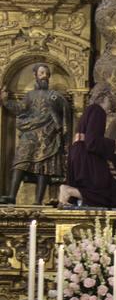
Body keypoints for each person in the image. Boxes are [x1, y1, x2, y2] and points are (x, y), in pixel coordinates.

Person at [0, 62, 71, 204]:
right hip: (30, 135)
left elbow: (65, 115)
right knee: (20, 162)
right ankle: (12, 196)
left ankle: (38, 200)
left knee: (43, 167)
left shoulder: (55, 96)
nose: (44, 76)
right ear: (35, 76)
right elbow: (20, 108)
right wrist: (5, 100)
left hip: (48, 135)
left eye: (46, 74)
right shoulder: (30, 95)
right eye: (41, 73)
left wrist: (64, 137)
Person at [60, 84, 116, 208]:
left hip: (77, 153)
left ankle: (67, 194)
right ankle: (68, 190)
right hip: (86, 156)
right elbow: (92, 142)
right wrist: (114, 144)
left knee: (92, 189)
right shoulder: (98, 110)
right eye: (110, 106)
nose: (109, 111)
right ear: (104, 97)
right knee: (107, 193)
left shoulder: (88, 111)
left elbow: (89, 138)